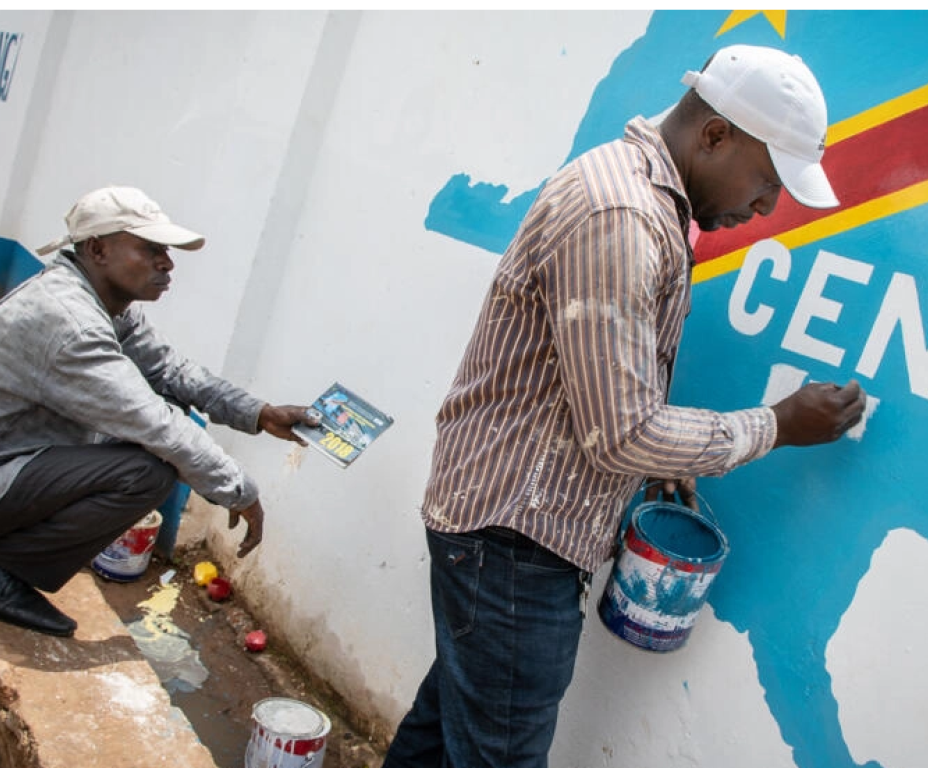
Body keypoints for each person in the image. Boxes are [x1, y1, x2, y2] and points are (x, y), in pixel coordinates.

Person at [383, 44, 867, 768]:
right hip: (515, 540)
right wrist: (777, 425)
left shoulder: (643, 200)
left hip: (507, 526)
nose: (767, 206)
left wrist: (657, 457)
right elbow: (623, 433)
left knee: (444, 732)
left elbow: (600, 398)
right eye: (767, 181)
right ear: (714, 135)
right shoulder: (621, 215)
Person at [0, 185, 317, 638]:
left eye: (165, 251)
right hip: (11, 461)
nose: (167, 263)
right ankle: (7, 572)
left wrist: (260, 413)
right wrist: (239, 491)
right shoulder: (70, 322)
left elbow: (169, 369)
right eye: (150, 250)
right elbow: (155, 423)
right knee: (147, 469)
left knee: (144, 443)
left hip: (19, 456)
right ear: (98, 248)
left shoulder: (101, 303)